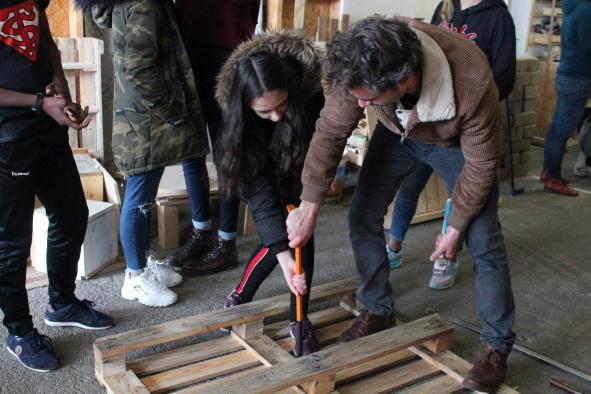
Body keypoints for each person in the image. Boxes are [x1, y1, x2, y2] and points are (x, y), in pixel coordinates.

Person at [286, 16, 516, 392]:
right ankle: (376, 309)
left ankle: (496, 348)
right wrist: (309, 206)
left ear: (405, 79)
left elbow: (482, 165)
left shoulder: (471, 79)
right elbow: (330, 131)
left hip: (455, 142)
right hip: (398, 132)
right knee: (361, 213)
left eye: (368, 99)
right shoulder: (358, 62)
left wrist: (454, 225)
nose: (360, 105)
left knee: (483, 239)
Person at [0, 0, 113, 372]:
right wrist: (37, 103)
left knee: (71, 214)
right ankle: (18, 331)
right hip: (6, 139)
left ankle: (61, 303)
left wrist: (59, 80)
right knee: (11, 245)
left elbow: (41, 32)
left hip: (45, 128)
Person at [76, 0, 209, 306]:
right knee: (139, 198)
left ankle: (142, 263)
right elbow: (140, 72)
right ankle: (135, 278)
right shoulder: (143, 5)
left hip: (142, 119)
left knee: (144, 196)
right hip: (147, 122)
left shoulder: (137, 3)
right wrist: (174, 111)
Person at [386, 0, 516, 291]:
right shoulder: (444, 6)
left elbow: (506, 76)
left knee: (459, 197)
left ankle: (446, 257)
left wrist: (472, 105)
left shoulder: (498, 17)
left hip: (465, 127)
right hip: (428, 119)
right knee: (409, 186)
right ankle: (393, 245)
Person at [215, 31, 325, 356]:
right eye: (265, 112)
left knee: (302, 240)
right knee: (276, 242)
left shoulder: (310, 96)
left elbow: (318, 156)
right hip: (264, 174)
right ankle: (240, 295)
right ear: (245, 106)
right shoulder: (238, 123)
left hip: (301, 171)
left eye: (281, 106)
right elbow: (259, 194)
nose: (276, 116)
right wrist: (282, 253)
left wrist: (306, 208)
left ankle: (299, 319)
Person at [163, 0, 261, 275]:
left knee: (226, 153)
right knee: (192, 151)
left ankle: (227, 242)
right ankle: (201, 232)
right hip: (188, 53)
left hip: (229, 55)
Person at [540, 0, 591, 196]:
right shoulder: (586, 9)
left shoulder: (574, 5)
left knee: (557, 129)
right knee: (561, 131)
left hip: (569, 73)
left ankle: (549, 172)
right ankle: (552, 178)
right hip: (577, 77)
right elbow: (588, 46)